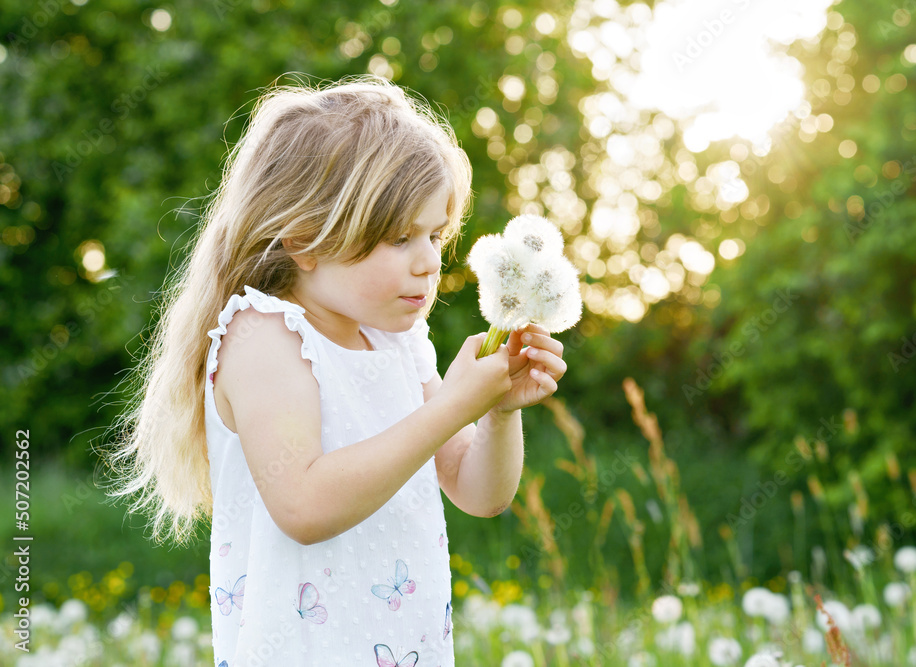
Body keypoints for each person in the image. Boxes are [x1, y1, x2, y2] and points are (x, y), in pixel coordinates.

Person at [101, 75, 568, 666]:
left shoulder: (396, 343)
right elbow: (304, 506)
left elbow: (481, 494)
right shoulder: (264, 335)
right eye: (400, 238)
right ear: (305, 239)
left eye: (434, 234)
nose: (429, 262)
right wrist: (453, 404)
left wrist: (497, 412)